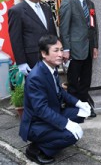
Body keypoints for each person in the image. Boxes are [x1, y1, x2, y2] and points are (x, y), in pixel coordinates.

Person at [20, 34, 91, 164]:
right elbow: (41, 110)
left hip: (52, 112)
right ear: (44, 54)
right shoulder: (36, 77)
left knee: (81, 114)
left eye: (61, 49)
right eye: (56, 50)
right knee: (71, 135)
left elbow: (61, 92)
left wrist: (79, 103)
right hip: (36, 124)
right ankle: (36, 149)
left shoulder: (51, 68)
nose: (60, 54)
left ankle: (51, 139)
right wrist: (66, 124)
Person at [59, 0, 98, 117]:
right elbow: (64, 28)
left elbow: (94, 27)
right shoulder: (68, 2)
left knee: (86, 81)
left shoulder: (90, 4)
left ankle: (85, 106)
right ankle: (73, 110)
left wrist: (95, 46)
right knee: (73, 83)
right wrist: (66, 49)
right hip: (74, 50)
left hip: (88, 49)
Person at [8, 0, 57, 76]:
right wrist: (21, 62)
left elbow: (52, 33)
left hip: (50, 58)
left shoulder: (46, 8)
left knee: (52, 88)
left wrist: (58, 52)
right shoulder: (17, 11)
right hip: (32, 59)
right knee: (37, 90)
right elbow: (16, 39)